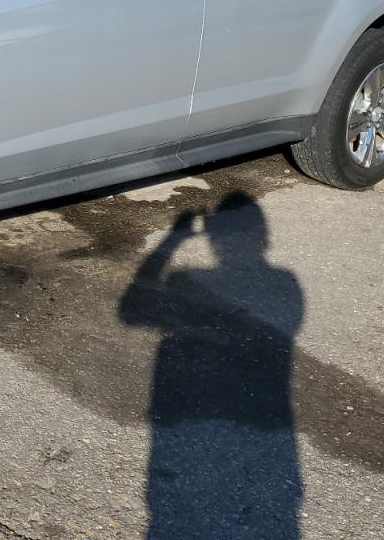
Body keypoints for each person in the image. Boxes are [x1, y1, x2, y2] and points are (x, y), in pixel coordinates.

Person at [118, 192, 305, 540]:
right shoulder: (287, 284)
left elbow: (131, 310)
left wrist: (173, 238)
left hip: (187, 436)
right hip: (266, 439)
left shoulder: (186, 282)